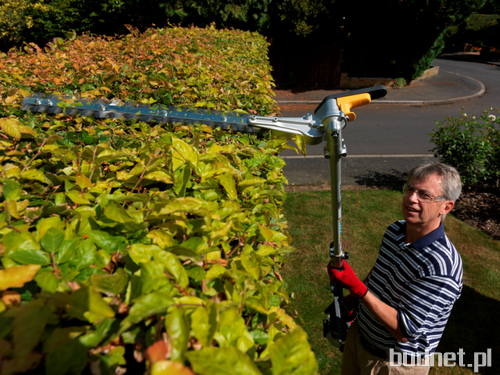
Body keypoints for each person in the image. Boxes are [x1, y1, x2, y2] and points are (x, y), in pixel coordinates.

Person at [328, 163, 463, 375]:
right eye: (410, 189)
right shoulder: (395, 230)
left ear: (446, 207)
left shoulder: (442, 266)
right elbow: (380, 273)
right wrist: (353, 300)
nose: (411, 198)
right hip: (359, 340)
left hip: (394, 365)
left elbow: (404, 330)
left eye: (424, 195)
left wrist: (357, 289)